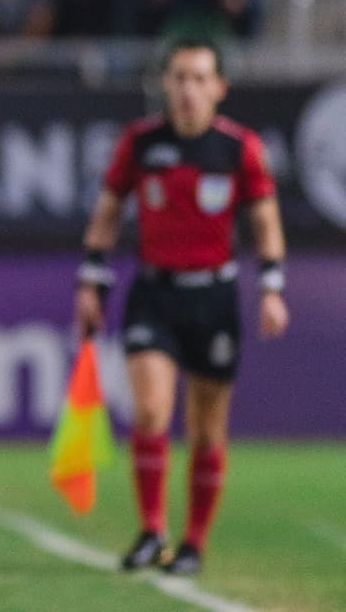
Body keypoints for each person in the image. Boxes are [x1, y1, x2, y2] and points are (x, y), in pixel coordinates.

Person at [74, 35, 288, 576]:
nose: (189, 90)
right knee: (149, 411)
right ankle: (151, 530)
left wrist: (272, 286)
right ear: (165, 85)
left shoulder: (239, 148)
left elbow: (264, 218)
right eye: (180, 78)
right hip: (154, 293)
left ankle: (192, 542)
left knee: (207, 428)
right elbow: (108, 210)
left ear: (219, 87)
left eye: (199, 78)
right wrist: (91, 281)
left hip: (214, 296)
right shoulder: (142, 143)